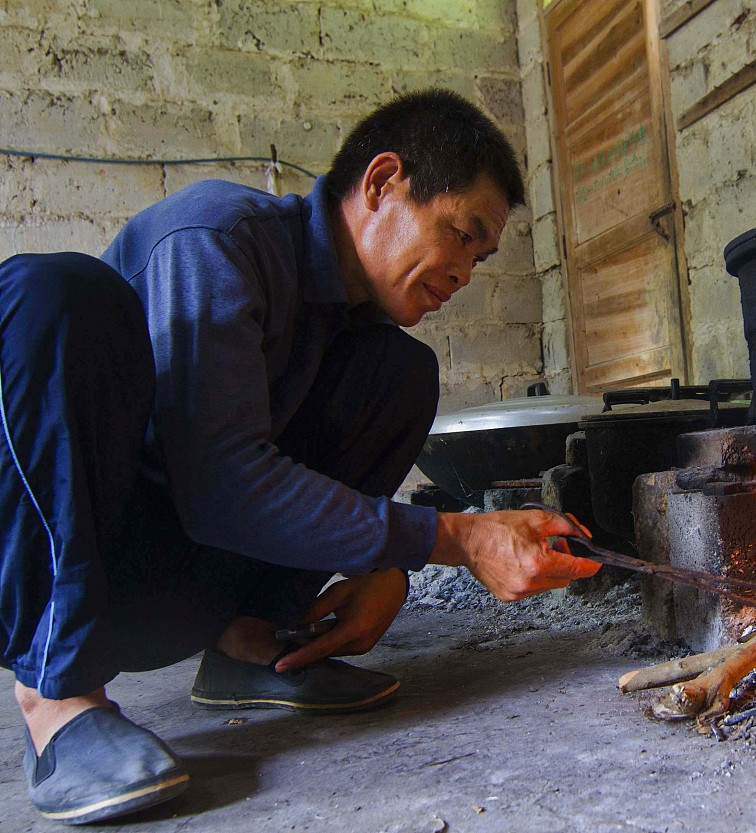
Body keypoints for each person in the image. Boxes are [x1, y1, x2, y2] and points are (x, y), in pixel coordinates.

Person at [0, 89, 600, 825]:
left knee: (401, 373)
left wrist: (387, 563)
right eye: (460, 234)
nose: (465, 273)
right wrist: (449, 539)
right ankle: (55, 699)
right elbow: (219, 481)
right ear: (383, 183)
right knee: (52, 291)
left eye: (481, 254)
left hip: (172, 592)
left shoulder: (347, 326)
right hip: (76, 567)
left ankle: (250, 647)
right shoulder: (215, 238)